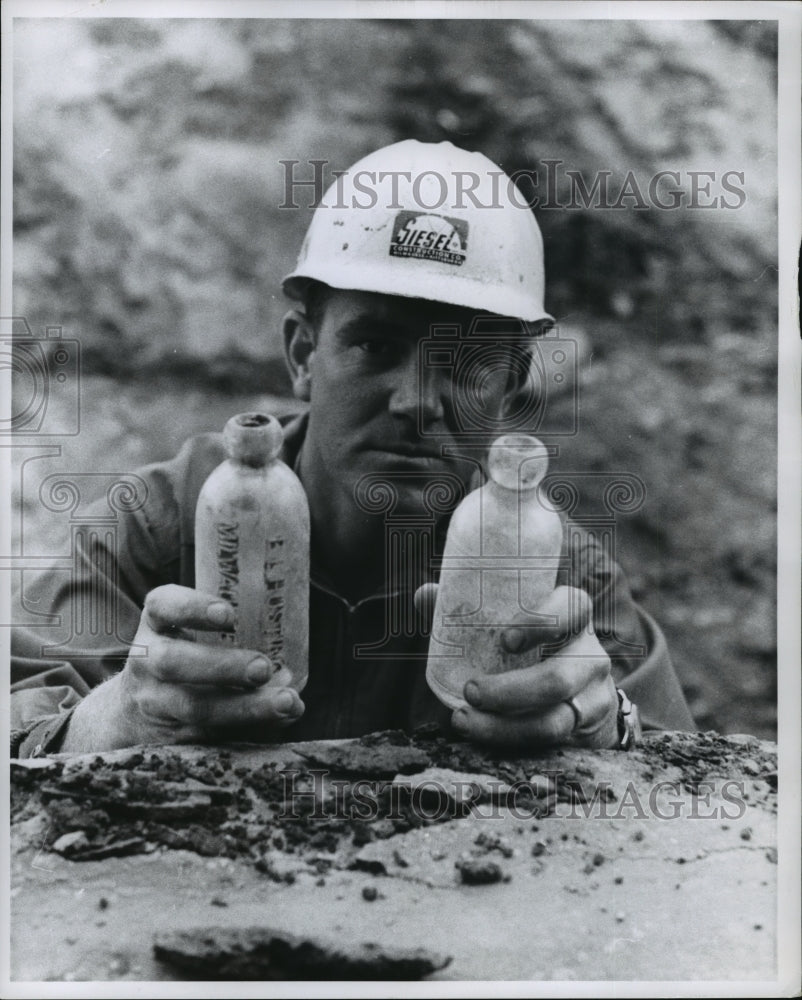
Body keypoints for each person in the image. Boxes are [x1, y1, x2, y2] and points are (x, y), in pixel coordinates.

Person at [11, 140, 695, 758]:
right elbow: (16, 724)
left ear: (510, 388)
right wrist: (116, 717)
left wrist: (609, 722)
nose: (417, 401)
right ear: (304, 353)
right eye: (376, 346)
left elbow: (694, 798)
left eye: (465, 362)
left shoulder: (561, 574)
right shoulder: (157, 524)